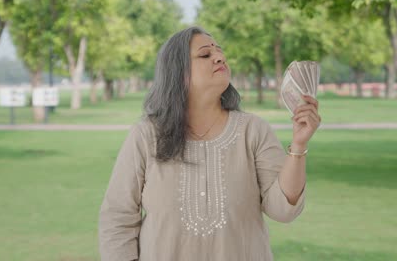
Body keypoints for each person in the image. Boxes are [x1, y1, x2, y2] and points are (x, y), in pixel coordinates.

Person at [98, 26, 321, 261]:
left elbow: (283, 210)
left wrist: (298, 145)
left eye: (220, 52)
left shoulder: (253, 130)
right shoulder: (146, 135)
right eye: (205, 55)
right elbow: (117, 218)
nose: (219, 57)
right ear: (178, 72)